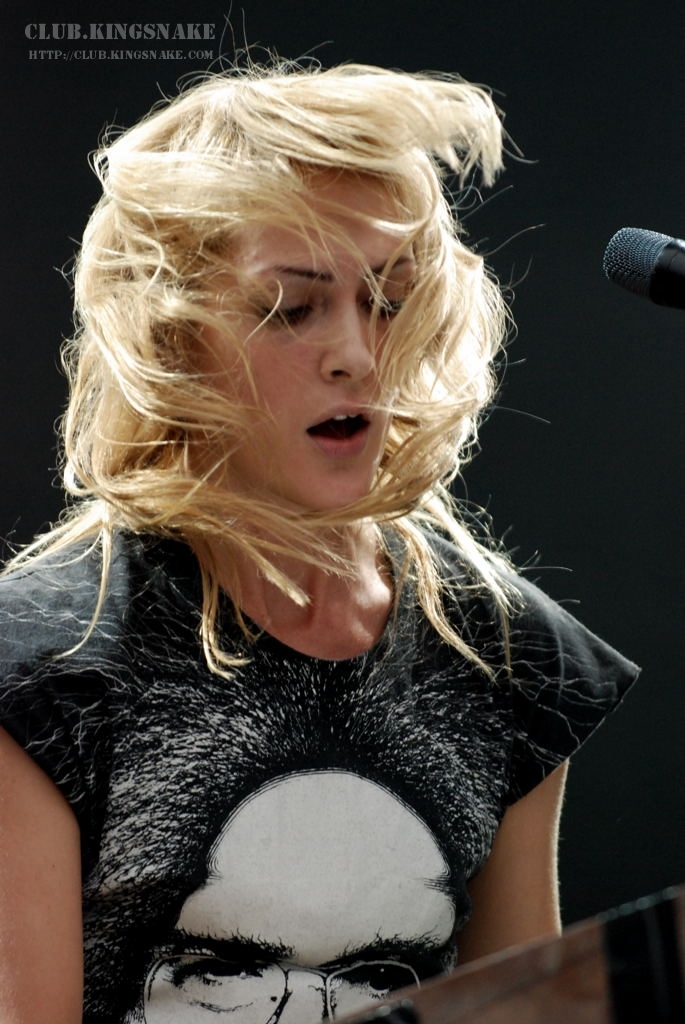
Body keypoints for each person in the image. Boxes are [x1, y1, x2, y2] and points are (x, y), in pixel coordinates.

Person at [0, 60, 638, 1024]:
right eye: (292, 307)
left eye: (389, 299)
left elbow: (521, 1012)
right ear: (172, 336)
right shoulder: (42, 662)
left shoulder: (507, 651)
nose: (356, 354)